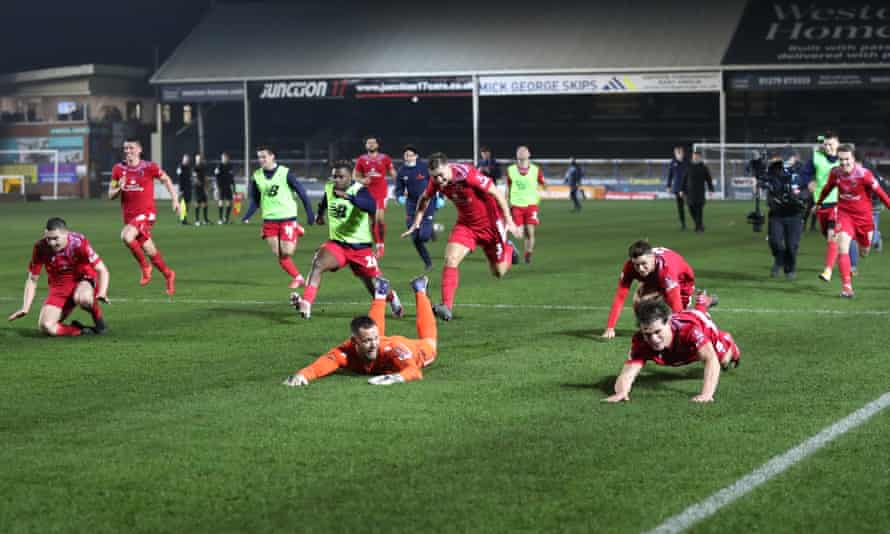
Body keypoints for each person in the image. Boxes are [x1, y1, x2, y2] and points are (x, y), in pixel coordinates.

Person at [403, 152, 521, 321]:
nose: (439, 181)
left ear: (448, 167)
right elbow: (424, 198)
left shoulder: (467, 174)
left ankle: (508, 249)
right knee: (451, 259)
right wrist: (416, 222)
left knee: (499, 272)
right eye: (434, 177)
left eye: (441, 176)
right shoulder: (436, 181)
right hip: (466, 226)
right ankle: (446, 306)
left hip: (491, 226)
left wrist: (509, 220)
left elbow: (497, 193)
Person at [291, 160, 402, 319]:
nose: (336, 180)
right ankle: (307, 303)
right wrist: (320, 215)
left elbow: (371, 206)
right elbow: (324, 201)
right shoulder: (330, 187)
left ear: (350, 177)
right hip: (337, 244)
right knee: (318, 264)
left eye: (340, 176)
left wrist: (349, 197)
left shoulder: (360, 190)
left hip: (360, 249)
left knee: (373, 287)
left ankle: (392, 298)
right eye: (334, 176)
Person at [284, 276, 435, 387]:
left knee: (430, 345)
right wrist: (302, 375)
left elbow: (414, 372)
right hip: (381, 344)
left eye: (374, 339)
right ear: (354, 341)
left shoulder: (393, 349)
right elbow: (320, 366)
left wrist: (393, 379)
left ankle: (420, 289)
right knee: (374, 335)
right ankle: (381, 293)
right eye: (367, 341)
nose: (373, 344)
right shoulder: (345, 352)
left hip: (414, 349)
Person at [602, 299, 740, 403]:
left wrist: (706, 394)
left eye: (657, 332)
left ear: (668, 322)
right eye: (647, 334)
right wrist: (621, 392)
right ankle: (702, 302)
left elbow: (710, 359)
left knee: (723, 361)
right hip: (681, 340)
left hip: (703, 327)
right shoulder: (640, 341)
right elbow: (629, 371)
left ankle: (727, 340)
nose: (654, 339)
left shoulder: (690, 331)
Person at [8, 218, 110, 336]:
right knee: (46, 326)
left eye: (55, 238)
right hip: (59, 287)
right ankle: (82, 331)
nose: (51, 243)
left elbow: (102, 270)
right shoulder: (40, 247)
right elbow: (32, 279)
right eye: (48, 238)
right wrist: (25, 307)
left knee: (83, 298)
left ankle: (100, 323)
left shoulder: (78, 242)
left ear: (66, 234)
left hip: (83, 279)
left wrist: (102, 292)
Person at [815, 145, 890, 297]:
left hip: (864, 218)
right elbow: (827, 188)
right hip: (844, 214)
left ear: (853, 159)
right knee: (843, 246)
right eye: (841, 159)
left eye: (847, 159)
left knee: (864, 251)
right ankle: (847, 287)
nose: (844, 163)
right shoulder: (835, 173)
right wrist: (819, 202)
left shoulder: (864, 175)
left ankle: (875, 239)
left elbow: (881, 193)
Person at [109, 138, 178, 295]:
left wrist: (175, 199)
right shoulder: (118, 169)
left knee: (126, 236)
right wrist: (119, 188)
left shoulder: (149, 167)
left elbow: (166, 179)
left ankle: (145, 266)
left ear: (139, 150)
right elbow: (110, 194)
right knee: (149, 249)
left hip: (147, 214)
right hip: (129, 217)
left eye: (131, 148)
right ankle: (168, 274)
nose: (128, 151)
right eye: (125, 148)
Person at [240, 146, 315, 289]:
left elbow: (302, 192)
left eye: (264, 157)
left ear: (272, 156)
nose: (261, 160)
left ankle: (296, 229)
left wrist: (310, 214)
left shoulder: (285, 173)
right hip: (269, 219)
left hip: (287, 217)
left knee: (288, 251)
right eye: (259, 157)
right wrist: (247, 216)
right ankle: (298, 277)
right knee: (279, 253)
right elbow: (255, 200)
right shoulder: (257, 176)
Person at [601, 240, 700, 339]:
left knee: (683, 318)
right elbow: (620, 297)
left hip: (682, 282)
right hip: (654, 278)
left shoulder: (666, 270)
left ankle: (703, 304)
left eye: (644, 263)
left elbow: (676, 305)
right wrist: (610, 327)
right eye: (637, 265)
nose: (640, 269)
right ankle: (645, 329)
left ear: (652, 257)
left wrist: (677, 335)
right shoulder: (630, 267)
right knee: (638, 300)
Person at [764, 153, 807, 279]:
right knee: (775, 242)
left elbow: (808, 189)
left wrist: (800, 197)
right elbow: (764, 179)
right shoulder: (773, 171)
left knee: (792, 245)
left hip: (795, 214)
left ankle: (790, 269)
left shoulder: (802, 172)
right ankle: (779, 259)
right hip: (777, 214)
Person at [395, 145, 437, 272]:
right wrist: (399, 197)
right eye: (406, 155)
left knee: (423, 237)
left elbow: (435, 182)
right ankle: (428, 263)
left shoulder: (424, 168)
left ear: (416, 156)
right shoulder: (402, 171)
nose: (407, 157)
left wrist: (439, 197)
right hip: (412, 206)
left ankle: (430, 231)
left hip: (427, 204)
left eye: (410, 154)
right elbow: (399, 188)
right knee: (415, 238)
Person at [353, 135, 397, 259]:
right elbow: (355, 176)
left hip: (381, 192)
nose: (371, 144)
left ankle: (381, 246)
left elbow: (392, 172)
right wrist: (362, 180)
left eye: (373, 143)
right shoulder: (361, 159)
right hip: (367, 193)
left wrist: (400, 184)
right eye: (369, 143)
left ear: (377, 145)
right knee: (373, 220)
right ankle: (377, 245)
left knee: (380, 220)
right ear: (365, 146)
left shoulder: (385, 158)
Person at [506, 145, 546, 264]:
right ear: (517, 155)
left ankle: (528, 254)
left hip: (531, 205)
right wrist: (504, 201)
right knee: (518, 234)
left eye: (525, 150)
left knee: (530, 232)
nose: (522, 152)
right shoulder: (511, 170)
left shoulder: (536, 170)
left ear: (529, 154)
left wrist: (543, 188)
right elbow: (508, 187)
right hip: (516, 205)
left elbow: (543, 183)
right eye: (520, 150)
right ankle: (510, 246)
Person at [682, 150, 714, 232]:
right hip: (689, 192)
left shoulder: (703, 167)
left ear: (700, 157)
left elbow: (708, 179)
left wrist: (711, 189)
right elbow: (684, 179)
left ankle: (698, 227)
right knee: (691, 209)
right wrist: (682, 190)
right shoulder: (688, 166)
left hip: (700, 192)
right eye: (694, 156)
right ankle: (699, 224)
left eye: (697, 156)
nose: (695, 157)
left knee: (699, 210)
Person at [665, 145, 689, 230]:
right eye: (676, 152)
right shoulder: (673, 162)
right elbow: (670, 175)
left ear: (683, 153)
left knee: (691, 205)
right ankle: (683, 224)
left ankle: (698, 222)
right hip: (677, 187)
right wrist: (668, 185)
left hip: (687, 187)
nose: (678, 154)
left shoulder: (687, 162)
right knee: (680, 207)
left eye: (680, 152)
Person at [214, 151, 235, 224]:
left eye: (226, 158)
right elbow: (216, 177)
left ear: (228, 158)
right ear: (221, 158)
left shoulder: (230, 166)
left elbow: (232, 178)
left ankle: (226, 218)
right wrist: (217, 187)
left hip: (228, 186)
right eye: (223, 158)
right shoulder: (219, 166)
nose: (225, 159)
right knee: (221, 201)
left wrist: (234, 188)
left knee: (230, 202)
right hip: (221, 187)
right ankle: (220, 219)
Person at [192, 153, 211, 225]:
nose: (199, 160)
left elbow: (205, 177)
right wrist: (200, 184)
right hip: (197, 188)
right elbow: (194, 178)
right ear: (195, 159)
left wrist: (207, 185)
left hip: (203, 187)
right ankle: (197, 220)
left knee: (205, 203)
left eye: (199, 158)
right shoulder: (195, 168)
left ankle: (205, 220)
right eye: (197, 159)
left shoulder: (203, 166)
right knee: (198, 203)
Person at [175, 153, 192, 225]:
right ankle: (183, 219)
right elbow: (179, 179)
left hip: (188, 188)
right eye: (185, 159)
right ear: (183, 159)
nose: (186, 161)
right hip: (183, 189)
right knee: (183, 204)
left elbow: (189, 178)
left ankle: (183, 218)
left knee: (187, 204)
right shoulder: (180, 167)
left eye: (187, 159)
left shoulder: (189, 167)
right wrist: (181, 190)